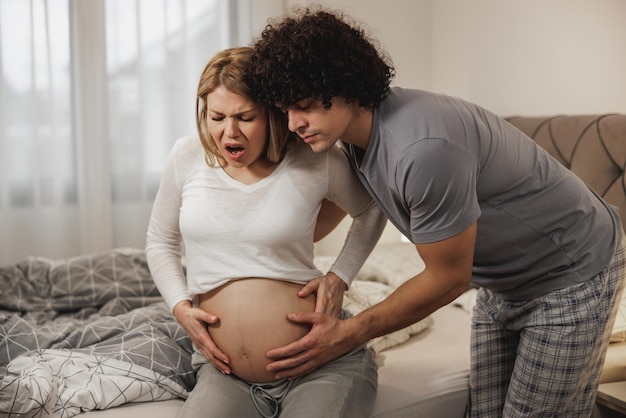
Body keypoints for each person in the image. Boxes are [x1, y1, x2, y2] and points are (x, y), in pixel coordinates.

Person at [247, 7, 626, 417]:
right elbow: (347, 214)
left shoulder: (422, 149)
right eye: (286, 109)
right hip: (501, 282)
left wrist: (348, 334)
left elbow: (447, 278)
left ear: (346, 87)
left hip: (572, 271)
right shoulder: (354, 138)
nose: (294, 122)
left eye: (303, 105)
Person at [145, 46, 386, 418]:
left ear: (273, 115)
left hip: (321, 364)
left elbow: (371, 209)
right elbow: (160, 241)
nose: (229, 132)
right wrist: (180, 306)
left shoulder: (314, 158)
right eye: (216, 117)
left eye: (245, 117)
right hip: (226, 373)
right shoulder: (186, 156)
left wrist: (340, 276)